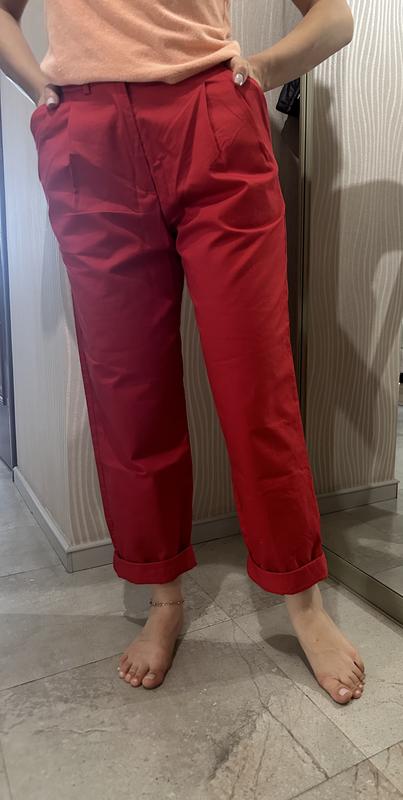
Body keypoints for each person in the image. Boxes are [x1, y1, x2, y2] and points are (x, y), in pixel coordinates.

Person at [0, 0, 365, 704]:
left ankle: (301, 600)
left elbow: (334, 17)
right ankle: (163, 596)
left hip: (211, 120)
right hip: (88, 136)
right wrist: (40, 89)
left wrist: (264, 68)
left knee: (256, 382)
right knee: (127, 391)